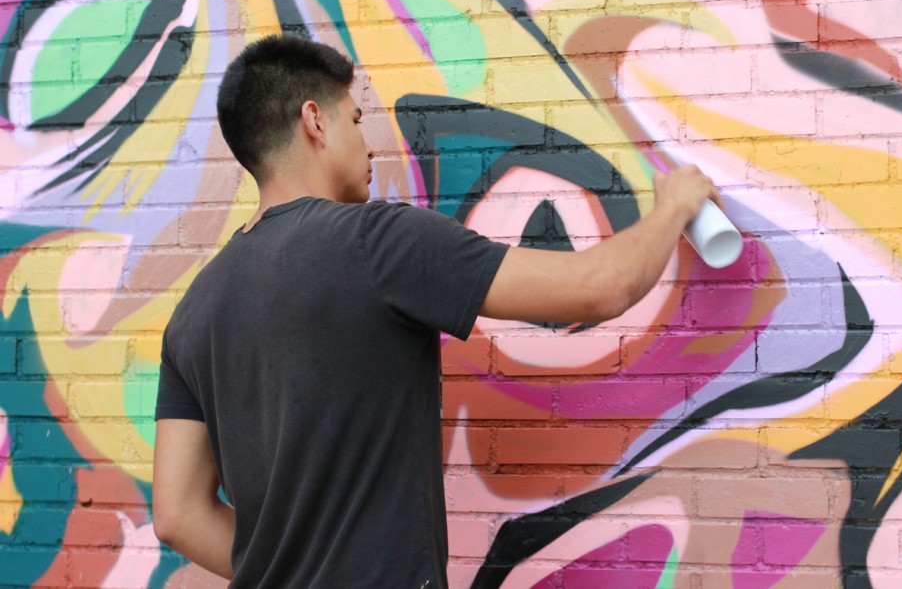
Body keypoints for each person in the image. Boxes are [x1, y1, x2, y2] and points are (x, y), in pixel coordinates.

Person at [151, 33, 719, 588]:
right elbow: (601, 288)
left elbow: (176, 514)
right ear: (314, 121)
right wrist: (674, 208)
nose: (367, 143)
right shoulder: (376, 242)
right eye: (355, 120)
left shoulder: (193, 311)